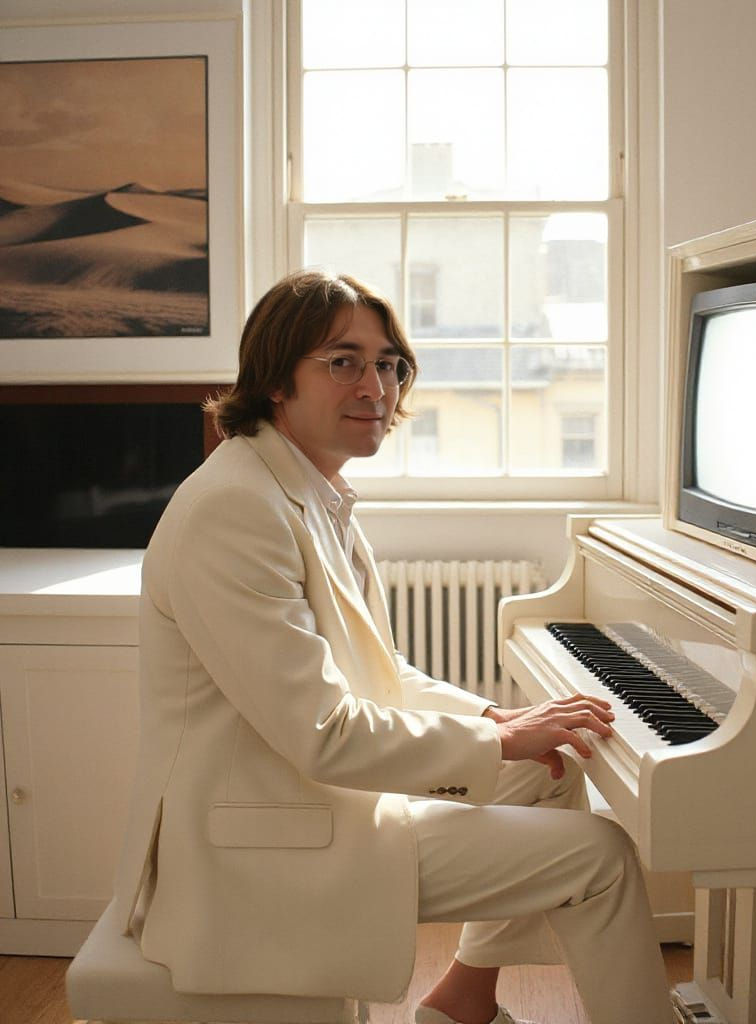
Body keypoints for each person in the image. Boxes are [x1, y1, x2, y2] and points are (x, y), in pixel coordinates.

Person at [112, 269, 676, 1024]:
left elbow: (381, 674)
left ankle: (461, 1003)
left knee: (552, 769)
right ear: (276, 379)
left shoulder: (308, 490)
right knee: (599, 859)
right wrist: (496, 740)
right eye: (343, 361)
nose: (375, 384)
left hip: (304, 802)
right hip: (261, 840)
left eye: (388, 363)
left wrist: (498, 719)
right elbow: (323, 732)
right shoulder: (235, 511)